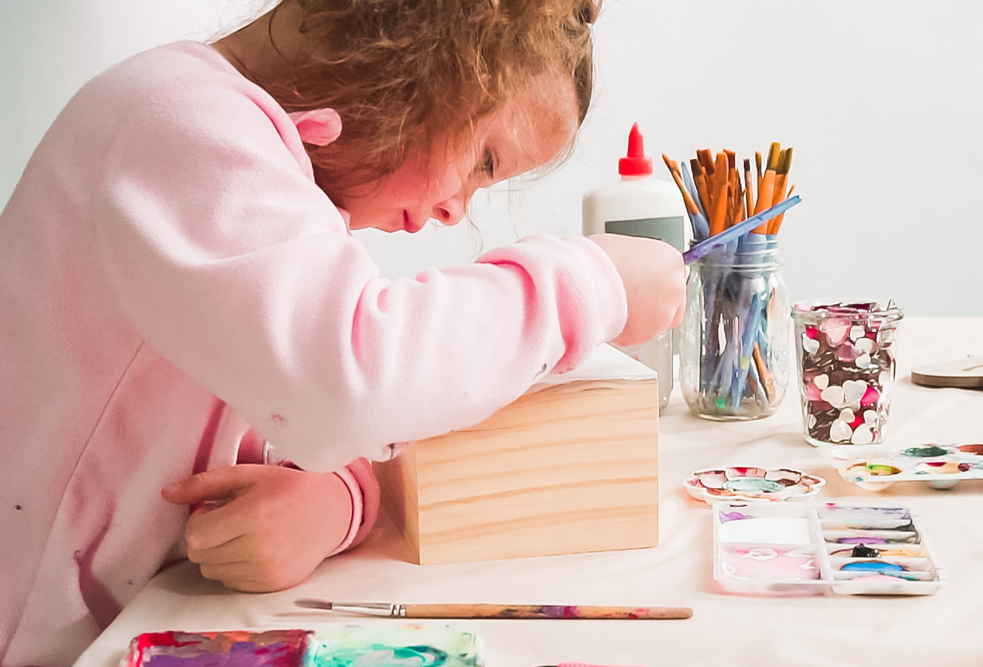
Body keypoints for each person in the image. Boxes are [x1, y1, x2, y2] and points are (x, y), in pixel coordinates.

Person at [0, 0, 686, 664]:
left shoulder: (241, 147)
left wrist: (337, 499)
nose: (456, 210)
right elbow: (352, 377)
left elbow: (297, 404)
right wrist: (594, 283)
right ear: (428, 56)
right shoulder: (177, 123)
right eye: (484, 161)